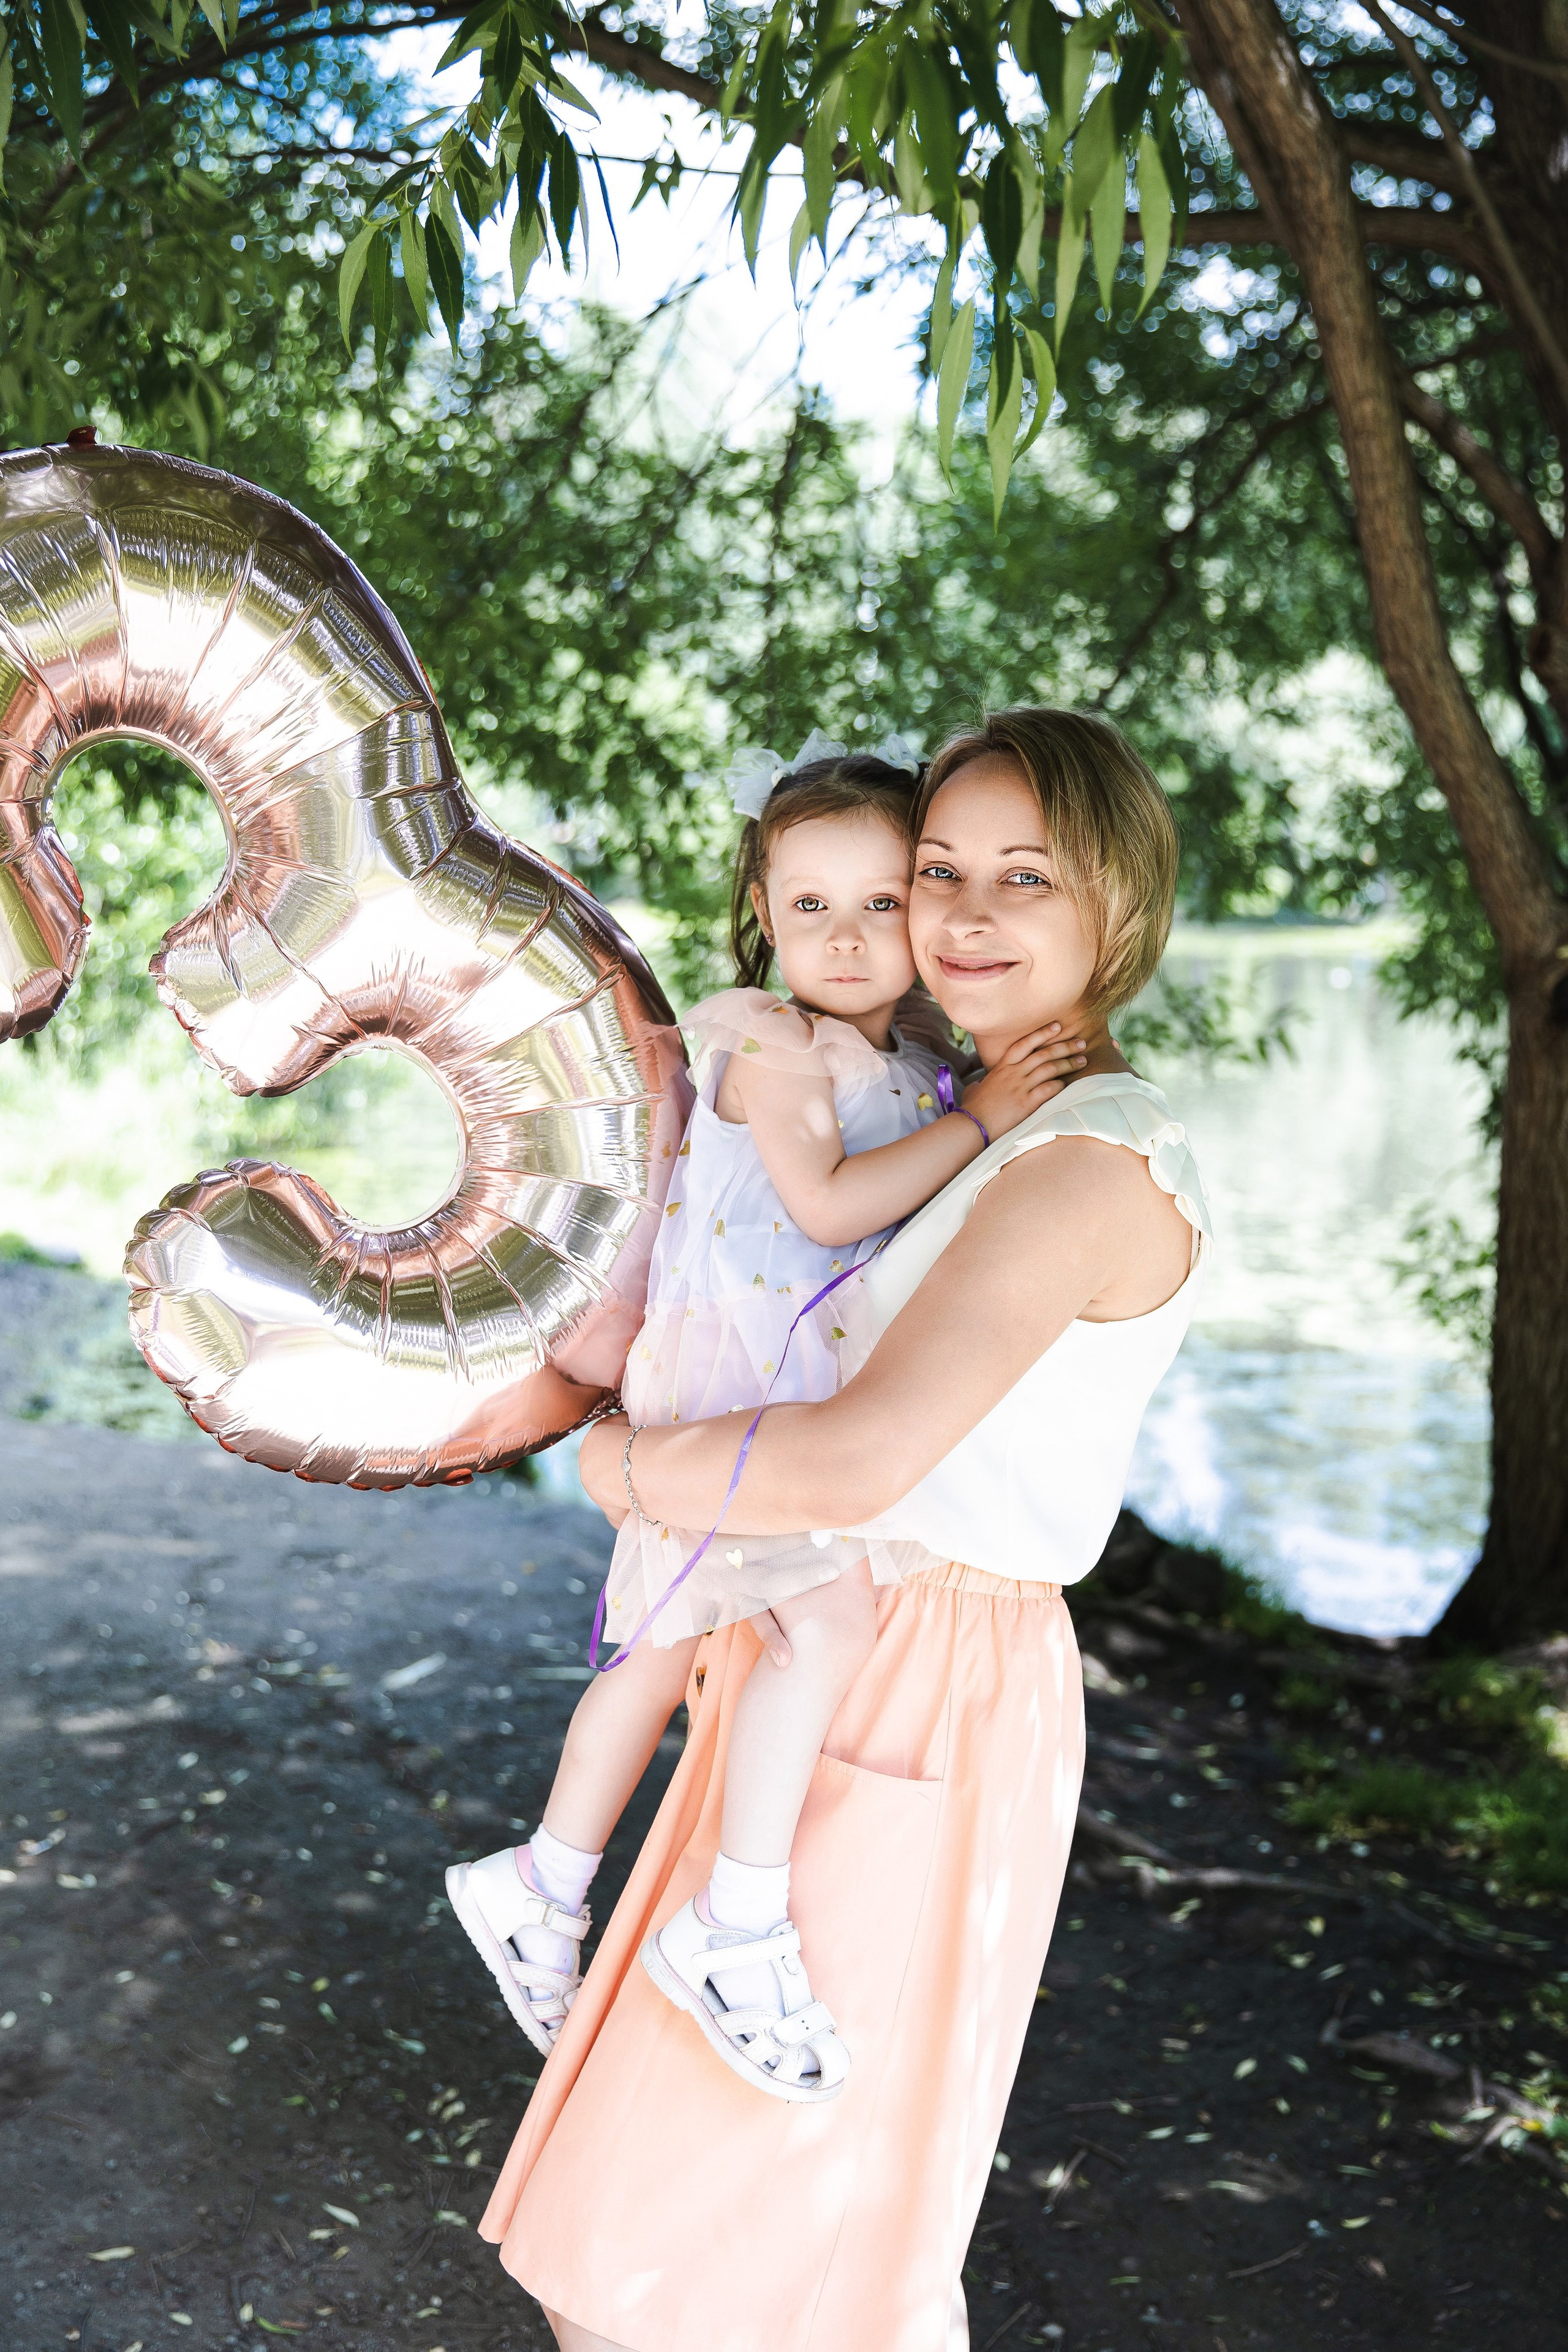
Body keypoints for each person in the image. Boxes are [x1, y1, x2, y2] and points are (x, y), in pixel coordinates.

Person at [480, 706, 1213, 2352]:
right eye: (935, 868)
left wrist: (614, 1477)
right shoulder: (968, 1101)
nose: (959, 911)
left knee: (729, 2252)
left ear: (1121, 898)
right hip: (835, 1637)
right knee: (668, 2236)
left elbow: (853, 1455)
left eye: (1023, 875)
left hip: (924, 1663)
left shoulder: (1089, 1151)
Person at [447, 731, 1083, 2100]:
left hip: (769, 1374)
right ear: (761, 911)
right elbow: (828, 1209)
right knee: (818, 1625)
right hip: (731, 1377)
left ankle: (544, 1880)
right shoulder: (774, 1041)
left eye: (878, 904)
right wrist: (981, 1120)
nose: (847, 939)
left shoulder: (903, 1052)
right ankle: (732, 1920)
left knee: (664, 1641)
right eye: (810, 907)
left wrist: (963, 1104)